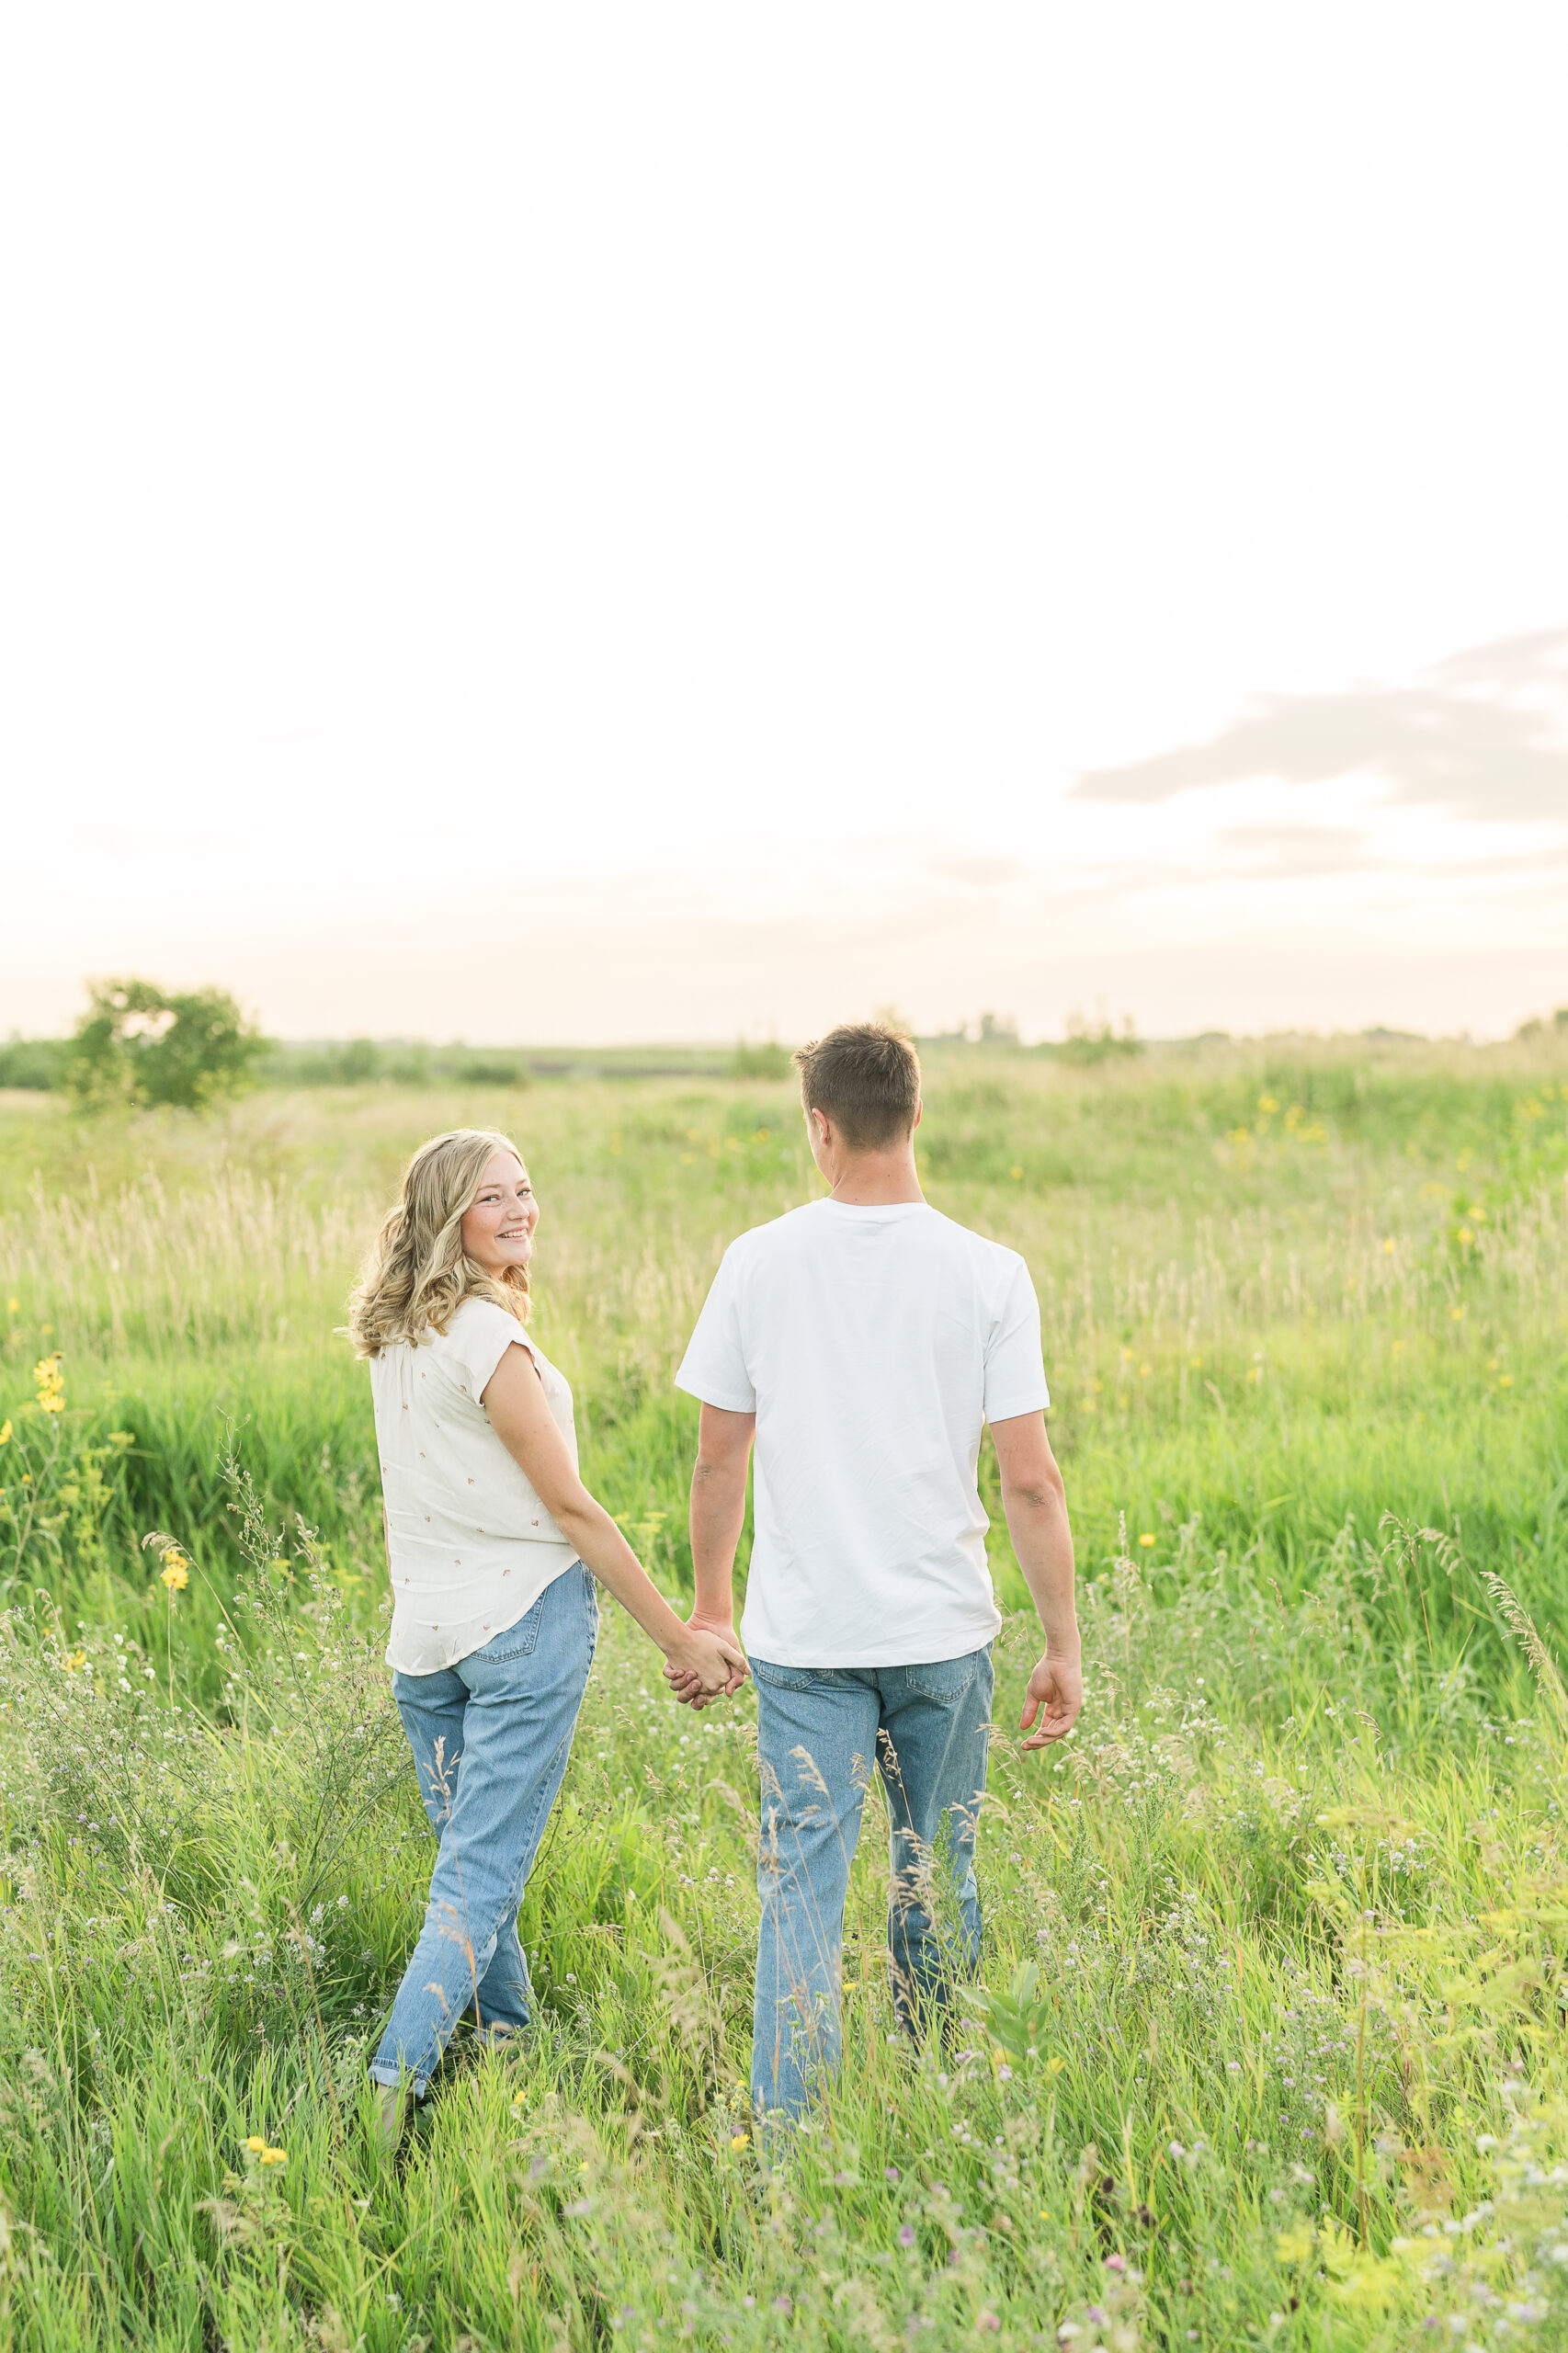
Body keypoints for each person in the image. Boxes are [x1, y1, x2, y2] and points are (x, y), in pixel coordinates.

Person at [667, 1024, 1082, 2122]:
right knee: (936, 1873)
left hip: (806, 1644)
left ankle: (788, 2153)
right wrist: (1060, 1642)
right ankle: (938, 2099)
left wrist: (711, 1607)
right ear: (914, 1111)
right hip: (943, 1636)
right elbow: (1029, 1482)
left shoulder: (757, 1260)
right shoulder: (988, 1271)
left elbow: (718, 1452)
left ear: (819, 1124)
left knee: (800, 1887)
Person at [347, 1128, 746, 2149]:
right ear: (450, 1219)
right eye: (494, 1197)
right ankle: (390, 2095)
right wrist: (679, 1638)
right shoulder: (486, 1340)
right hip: (521, 1631)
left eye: (526, 1190)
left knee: (472, 1868)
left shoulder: (399, 1333)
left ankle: (510, 2047)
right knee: (478, 1876)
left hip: (426, 1641)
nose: (521, 1210)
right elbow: (572, 1510)